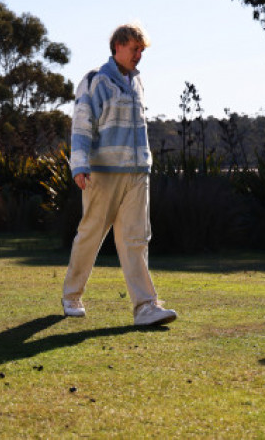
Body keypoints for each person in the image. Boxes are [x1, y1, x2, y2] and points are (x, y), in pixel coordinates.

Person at [62, 22, 177, 326]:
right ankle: (72, 295)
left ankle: (145, 307)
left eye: (141, 49)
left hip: (138, 173)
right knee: (91, 234)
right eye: (135, 48)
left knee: (136, 239)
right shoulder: (96, 80)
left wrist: (145, 164)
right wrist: (80, 165)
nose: (139, 54)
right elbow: (83, 124)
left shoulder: (137, 83)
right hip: (102, 174)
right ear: (118, 46)